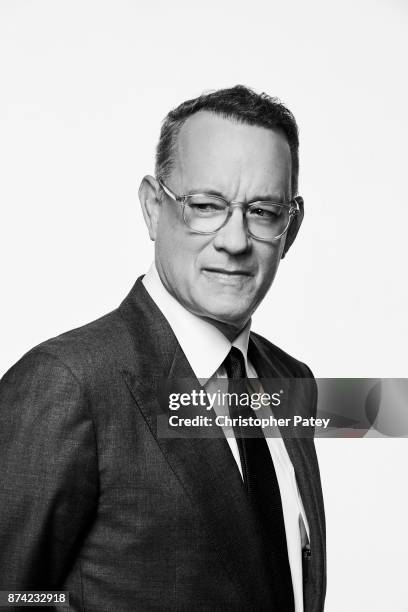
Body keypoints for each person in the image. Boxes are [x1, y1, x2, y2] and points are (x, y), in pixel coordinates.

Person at [0, 85, 326, 611]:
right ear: (154, 207)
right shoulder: (67, 383)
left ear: (291, 228)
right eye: (205, 206)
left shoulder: (290, 380)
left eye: (263, 211)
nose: (235, 241)